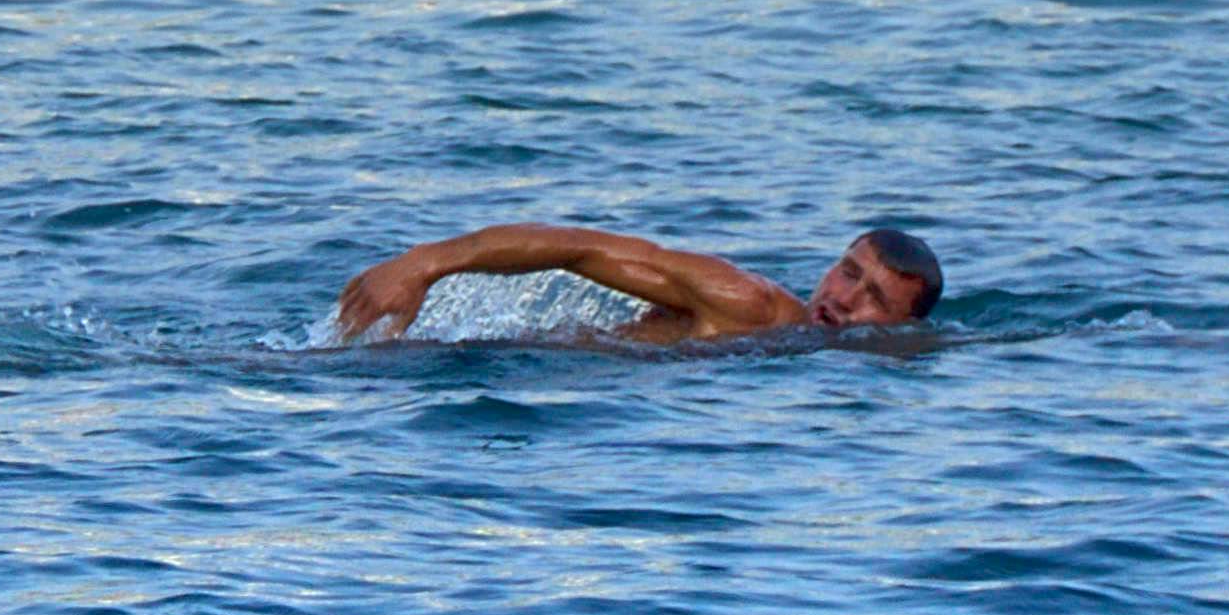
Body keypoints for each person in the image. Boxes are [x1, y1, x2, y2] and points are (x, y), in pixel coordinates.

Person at [333, 223, 944, 345]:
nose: (842, 298)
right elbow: (582, 248)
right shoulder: (751, 303)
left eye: (874, 300)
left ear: (905, 332)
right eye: (848, 272)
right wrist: (422, 264)